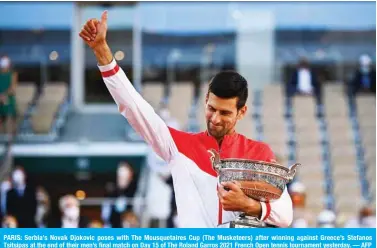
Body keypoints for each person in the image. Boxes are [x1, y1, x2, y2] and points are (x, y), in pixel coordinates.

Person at [79, 11, 293, 228]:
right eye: (211, 108)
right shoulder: (178, 146)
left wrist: (249, 205)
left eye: (226, 113)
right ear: (206, 100)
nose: (215, 119)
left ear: (242, 112)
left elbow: (285, 215)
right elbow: (134, 107)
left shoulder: (259, 153)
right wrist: (101, 51)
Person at [0, 55, 18, 134]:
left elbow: (13, 88)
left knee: (9, 117)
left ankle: (9, 140)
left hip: (8, 99)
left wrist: (4, 95)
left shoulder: (12, 74)